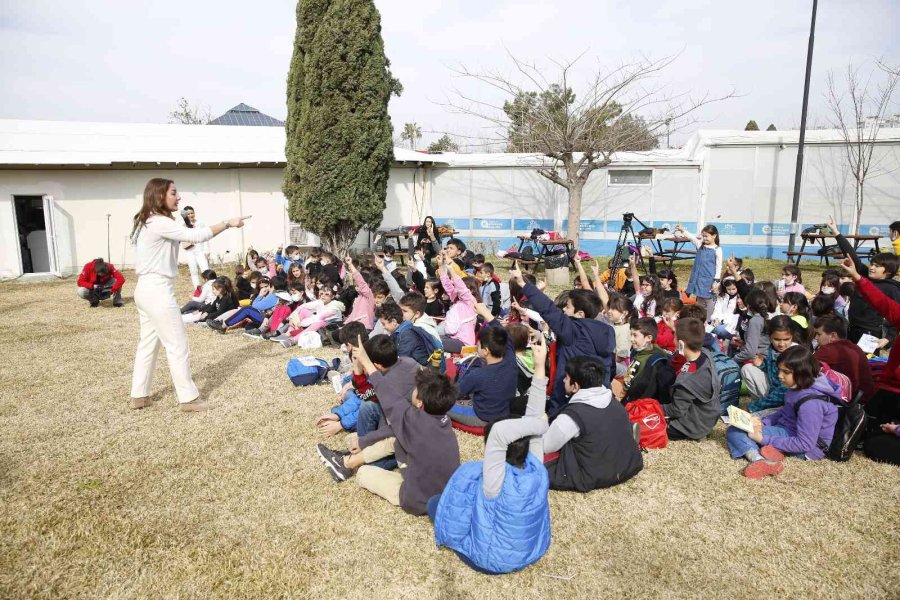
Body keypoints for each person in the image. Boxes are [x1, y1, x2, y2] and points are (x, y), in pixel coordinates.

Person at [429, 332, 550, 574]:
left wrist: (539, 423)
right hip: (531, 550)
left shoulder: (494, 481)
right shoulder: (537, 467)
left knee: (435, 503)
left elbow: (499, 434)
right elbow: (535, 411)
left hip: (491, 560)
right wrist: (540, 366)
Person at [129, 178, 249, 411]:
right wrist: (228, 223)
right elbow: (197, 236)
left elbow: (188, 238)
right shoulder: (159, 222)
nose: (179, 197)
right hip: (157, 291)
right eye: (173, 193)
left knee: (148, 344)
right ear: (160, 195)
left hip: (145, 290)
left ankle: (139, 396)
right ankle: (188, 399)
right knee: (177, 345)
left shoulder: (149, 221)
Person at [321, 335, 461, 515]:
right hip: (443, 489)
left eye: (416, 389)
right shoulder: (441, 420)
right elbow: (395, 427)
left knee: (363, 473)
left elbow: (385, 392)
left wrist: (365, 362)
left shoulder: (412, 419)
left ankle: (346, 465)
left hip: (417, 500)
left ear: (420, 403)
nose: (413, 388)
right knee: (393, 439)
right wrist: (363, 442)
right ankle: (347, 462)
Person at [513, 263, 616, 419]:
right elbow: (611, 367)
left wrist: (523, 284)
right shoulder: (608, 331)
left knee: (516, 406)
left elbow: (549, 309)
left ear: (580, 314)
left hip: (568, 403)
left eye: (567, 307)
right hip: (601, 400)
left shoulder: (573, 330)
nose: (563, 310)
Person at [725, 345, 841, 479]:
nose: (780, 375)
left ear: (802, 372)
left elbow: (805, 443)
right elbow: (784, 412)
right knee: (744, 428)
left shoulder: (811, 404)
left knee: (735, 430)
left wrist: (762, 438)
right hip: (789, 431)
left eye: (786, 372)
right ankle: (774, 451)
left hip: (808, 449)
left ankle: (759, 460)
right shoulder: (799, 387)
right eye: (779, 370)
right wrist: (762, 422)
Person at [543, 351, 643, 492]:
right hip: (627, 466)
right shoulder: (614, 402)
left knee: (533, 465)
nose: (564, 380)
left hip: (589, 474)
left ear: (575, 386)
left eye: (566, 377)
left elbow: (546, 446)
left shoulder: (572, 416)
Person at [840, 258, 900, 459]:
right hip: (887, 390)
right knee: (862, 433)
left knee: (874, 446)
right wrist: (858, 277)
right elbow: (882, 302)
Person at [828, 216, 900, 343]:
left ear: (888, 271)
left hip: (870, 332)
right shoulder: (865, 276)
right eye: (871, 264)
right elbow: (852, 255)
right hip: (852, 328)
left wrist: (888, 338)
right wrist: (837, 233)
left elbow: (896, 316)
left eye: (877, 266)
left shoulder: (891, 288)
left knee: (866, 357)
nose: (871, 268)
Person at [449, 303, 519, 427]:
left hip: (483, 417)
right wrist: (485, 312)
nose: (477, 346)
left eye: (479, 344)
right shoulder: (511, 360)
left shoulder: (478, 375)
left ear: (486, 351)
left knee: (440, 404)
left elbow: (453, 394)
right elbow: (505, 334)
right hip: (503, 411)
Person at [665, 318, 721, 440]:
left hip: (694, 426)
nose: (672, 339)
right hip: (709, 415)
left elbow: (675, 410)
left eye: (674, 336)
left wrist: (653, 407)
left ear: (681, 344)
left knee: (651, 424)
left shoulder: (687, 380)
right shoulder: (705, 353)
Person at [742, 315, 797, 413]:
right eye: (777, 339)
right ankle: (762, 406)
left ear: (792, 337)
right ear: (770, 337)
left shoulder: (796, 356)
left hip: (788, 398)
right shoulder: (772, 350)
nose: (781, 344)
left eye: (786, 339)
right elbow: (772, 371)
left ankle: (762, 407)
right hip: (773, 391)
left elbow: (783, 391)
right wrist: (762, 365)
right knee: (747, 368)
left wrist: (753, 407)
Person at [813, 315, 875, 403]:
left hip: (851, 402)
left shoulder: (830, 350)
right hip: (865, 397)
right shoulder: (853, 346)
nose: (816, 338)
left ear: (833, 335)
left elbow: (802, 364)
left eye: (819, 334)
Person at [675, 223, 723, 321]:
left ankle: (709, 320)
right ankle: (700, 319)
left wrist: (716, 281)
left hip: (708, 279)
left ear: (714, 236)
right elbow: (692, 238)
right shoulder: (700, 245)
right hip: (698, 278)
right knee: (699, 298)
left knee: (708, 299)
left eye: (706, 236)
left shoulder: (717, 249)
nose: (704, 238)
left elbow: (719, 266)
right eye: (703, 236)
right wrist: (682, 230)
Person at [179, 206, 211, 291]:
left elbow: (206, 237)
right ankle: (198, 290)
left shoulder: (200, 224)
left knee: (205, 270)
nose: (190, 215)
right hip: (190, 251)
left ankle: (210, 289)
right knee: (193, 271)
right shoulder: (183, 225)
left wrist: (206, 250)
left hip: (200, 250)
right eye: (188, 214)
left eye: (192, 213)